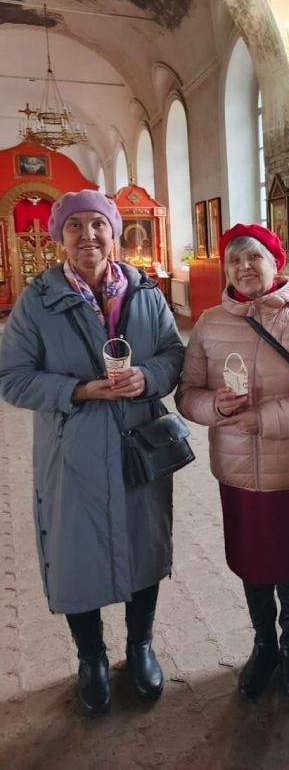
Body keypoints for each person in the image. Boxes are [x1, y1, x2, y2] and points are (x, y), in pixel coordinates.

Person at [0, 190, 185, 717]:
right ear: (59, 236)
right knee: (74, 554)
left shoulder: (145, 291)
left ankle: (140, 646)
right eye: (75, 226)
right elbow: (11, 378)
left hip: (140, 443)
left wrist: (147, 377)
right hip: (73, 449)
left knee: (145, 544)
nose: (88, 236)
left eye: (98, 224)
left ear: (114, 232)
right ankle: (91, 659)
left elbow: (174, 353)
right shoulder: (38, 300)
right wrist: (78, 390)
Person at [175, 223, 289, 700]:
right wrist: (215, 407)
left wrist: (261, 419)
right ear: (226, 270)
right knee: (251, 558)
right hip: (237, 470)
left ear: (275, 263)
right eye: (235, 260)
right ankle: (264, 644)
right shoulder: (209, 324)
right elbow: (186, 394)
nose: (245, 267)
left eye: (255, 257)